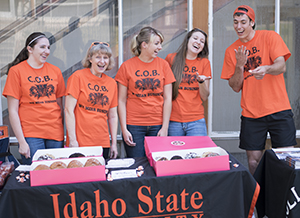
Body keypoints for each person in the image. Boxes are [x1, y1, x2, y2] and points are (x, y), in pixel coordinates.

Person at [221, 5, 296, 175]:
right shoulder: (231, 51)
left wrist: (266, 69)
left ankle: (285, 199)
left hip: (279, 108)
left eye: (243, 22)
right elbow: (234, 86)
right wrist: (239, 65)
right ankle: (259, 199)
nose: (238, 27)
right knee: (253, 161)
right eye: (235, 22)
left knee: (286, 158)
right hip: (251, 113)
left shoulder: (270, 37)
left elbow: (281, 65)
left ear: (252, 22)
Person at [3, 32, 66, 165]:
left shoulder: (55, 71)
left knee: (55, 174)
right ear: (30, 49)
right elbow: (13, 111)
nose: (47, 51)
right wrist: (21, 141)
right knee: (36, 175)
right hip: (31, 134)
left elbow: (59, 106)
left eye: (48, 47)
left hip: (55, 133)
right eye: (42, 47)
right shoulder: (16, 71)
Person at [115, 26, 176, 158]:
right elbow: (121, 100)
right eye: (156, 43)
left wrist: (165, 127)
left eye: (160, 44)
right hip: (134, 125)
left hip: (157, 124)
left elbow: (167, 98)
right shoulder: (126, 66)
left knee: (158, 163)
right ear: (144, 45)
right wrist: (124, 129)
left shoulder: (164, 65)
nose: (160, 47)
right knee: (137, 164)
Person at [65, 42, 118, 159]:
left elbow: (113, 116)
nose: (102, 61)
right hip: (80, 142)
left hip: (102, 142)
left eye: (105, 57)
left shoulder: (112, 83)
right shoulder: (77, 77)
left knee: (100, 176)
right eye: (98, 57)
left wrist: (113, 143)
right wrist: (73, 141)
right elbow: (69, 110)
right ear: (90, 58)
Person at [165, 28, 211, 136]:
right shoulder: (171, 59)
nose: (198, 42)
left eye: (202, 41)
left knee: (198, 152)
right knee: (175, 153)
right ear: (187, 40)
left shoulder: (204, 63)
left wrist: (201, 82)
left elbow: (204, 96)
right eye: (195, 38)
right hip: (173, 120)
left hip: (196, 121)